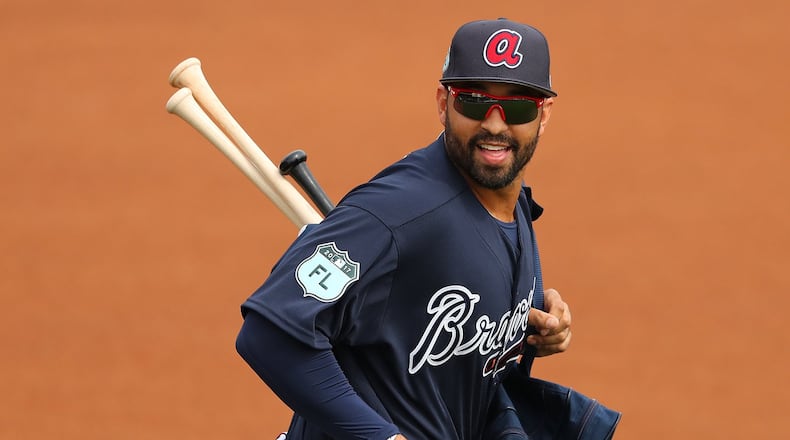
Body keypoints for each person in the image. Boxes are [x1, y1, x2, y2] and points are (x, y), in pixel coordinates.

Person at [236, 18, 574, 439]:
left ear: (543, 115)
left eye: (518, 107)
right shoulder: (396, 212)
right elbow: (269, 333)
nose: (494, 124)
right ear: (442, 103)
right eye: (472, 101)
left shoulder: (511, 202)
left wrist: (531, 324)